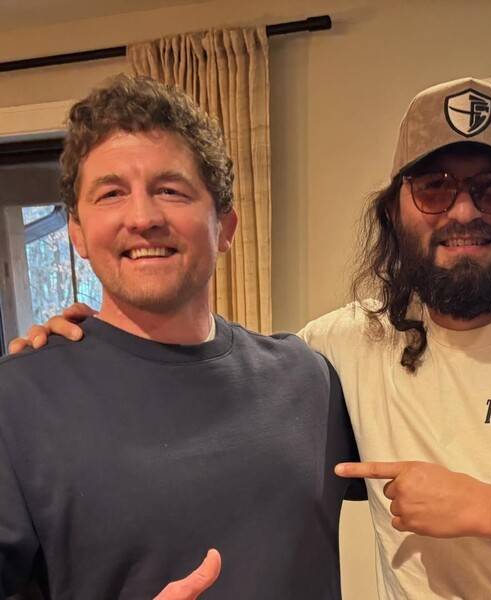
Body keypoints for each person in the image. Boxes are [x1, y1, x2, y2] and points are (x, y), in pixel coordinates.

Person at [14, 77, 491, 598]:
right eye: (434, 188)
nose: (463, 211)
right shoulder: (338, 348)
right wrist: (64, 360)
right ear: (395, 212)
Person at [0, 74, 364, 600]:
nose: (143, 217)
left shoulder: (309, 380)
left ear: (226, 227)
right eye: (111, 193)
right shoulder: (16, 404)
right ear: (76, 232)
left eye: (170, 190)